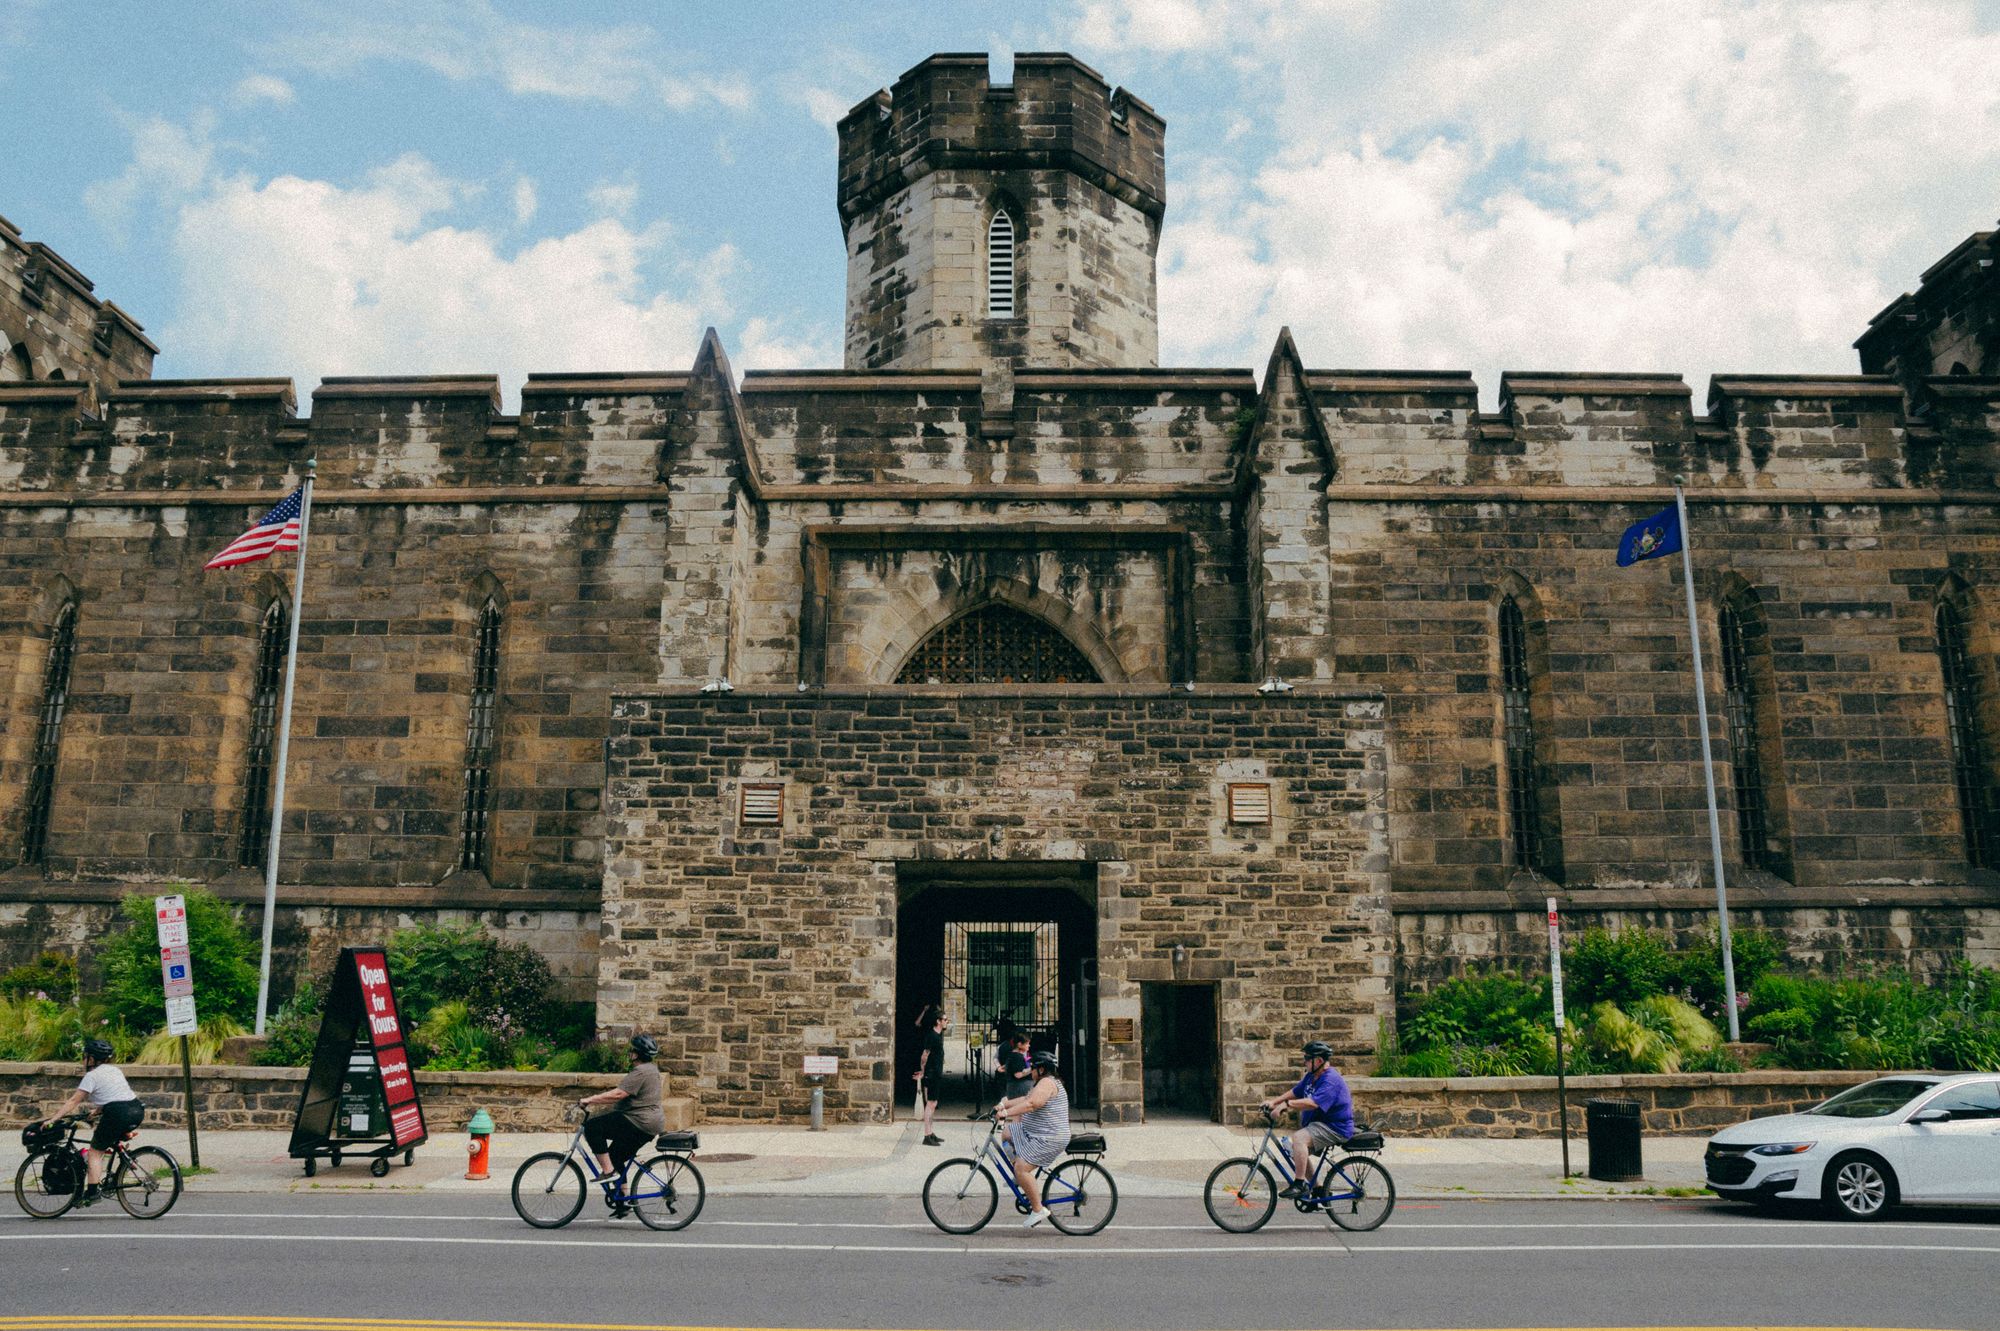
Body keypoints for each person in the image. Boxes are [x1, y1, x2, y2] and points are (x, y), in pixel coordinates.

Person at [41, 1037, 144, 1207]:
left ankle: (92, 1193)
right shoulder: (114, 1071)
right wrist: (96, 1111)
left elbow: (74, 1101)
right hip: (136, 1110)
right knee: (110, 1139)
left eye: (85, 1056)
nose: (83, 1059)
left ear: (91, 1059)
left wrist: (53, 1119)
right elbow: (116, 1095)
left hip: (117, 1113)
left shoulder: (91, 1076)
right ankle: (126, 1158)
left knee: (95, 1152)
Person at [578, 1034, 667, 1216]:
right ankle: (623, 1199)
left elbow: (619, 1094)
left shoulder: (640, 1072)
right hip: (648, 1123)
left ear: (636, 1054)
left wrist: (590, 1100)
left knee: (593, 1127)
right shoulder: (651, 1069)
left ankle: (608, 1172)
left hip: (639, 1121)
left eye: (632, 1050)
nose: (630, 1053)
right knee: (615, 1156)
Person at [1261, 1039, 1355, 1199]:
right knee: (1295, 1150)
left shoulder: (1331, 1079)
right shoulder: (1312, 1076)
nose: (1304, 1062)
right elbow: (1296, 1091)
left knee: (1299, 1139)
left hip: (1335, 1127)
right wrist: (1274, 1102)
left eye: (1307, 1059)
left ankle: (1300, 1184)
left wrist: (1286, 1105)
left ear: (1318, 1061)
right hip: (1321, 1125)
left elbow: (1313, 1103)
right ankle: (1318, 1189)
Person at [995, 1049, 1069, 1227]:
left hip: (1049, 1137)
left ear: (1042, 1069)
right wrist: (1003, 1104)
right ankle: (1021, 1177)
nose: (1031, 1071)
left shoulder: (1047, 1083)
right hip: (1035, 1132)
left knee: (1021, 1168)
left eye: (1033, 1068)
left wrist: (1006, 1112)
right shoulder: (1042, 1083)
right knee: (1007, 1133)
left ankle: (1038, 1209)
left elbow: (1030, 1104)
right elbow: (1025, 1098)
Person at [914, 1005, 947, 1146]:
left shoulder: (938, 1035)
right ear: (938, 1021)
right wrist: (923, 1071)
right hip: (931, 1073)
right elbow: (924, 1055)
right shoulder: (932, 1036)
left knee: (934, 1104)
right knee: (931, 1104)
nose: (947, 1021)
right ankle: (927, 1135)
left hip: (935, 1072)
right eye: (945, 1019)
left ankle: (931, 1132)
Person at [999, 1030, 1032, 1101]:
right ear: (1020, 1044)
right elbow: (1018, 1074)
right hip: (1019, 1089)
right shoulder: (1018, 1057)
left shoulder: (1012, 1055)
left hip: (1014, 1088)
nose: (1029, 1045)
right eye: (1027, 1043)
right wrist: (1033, 1068)